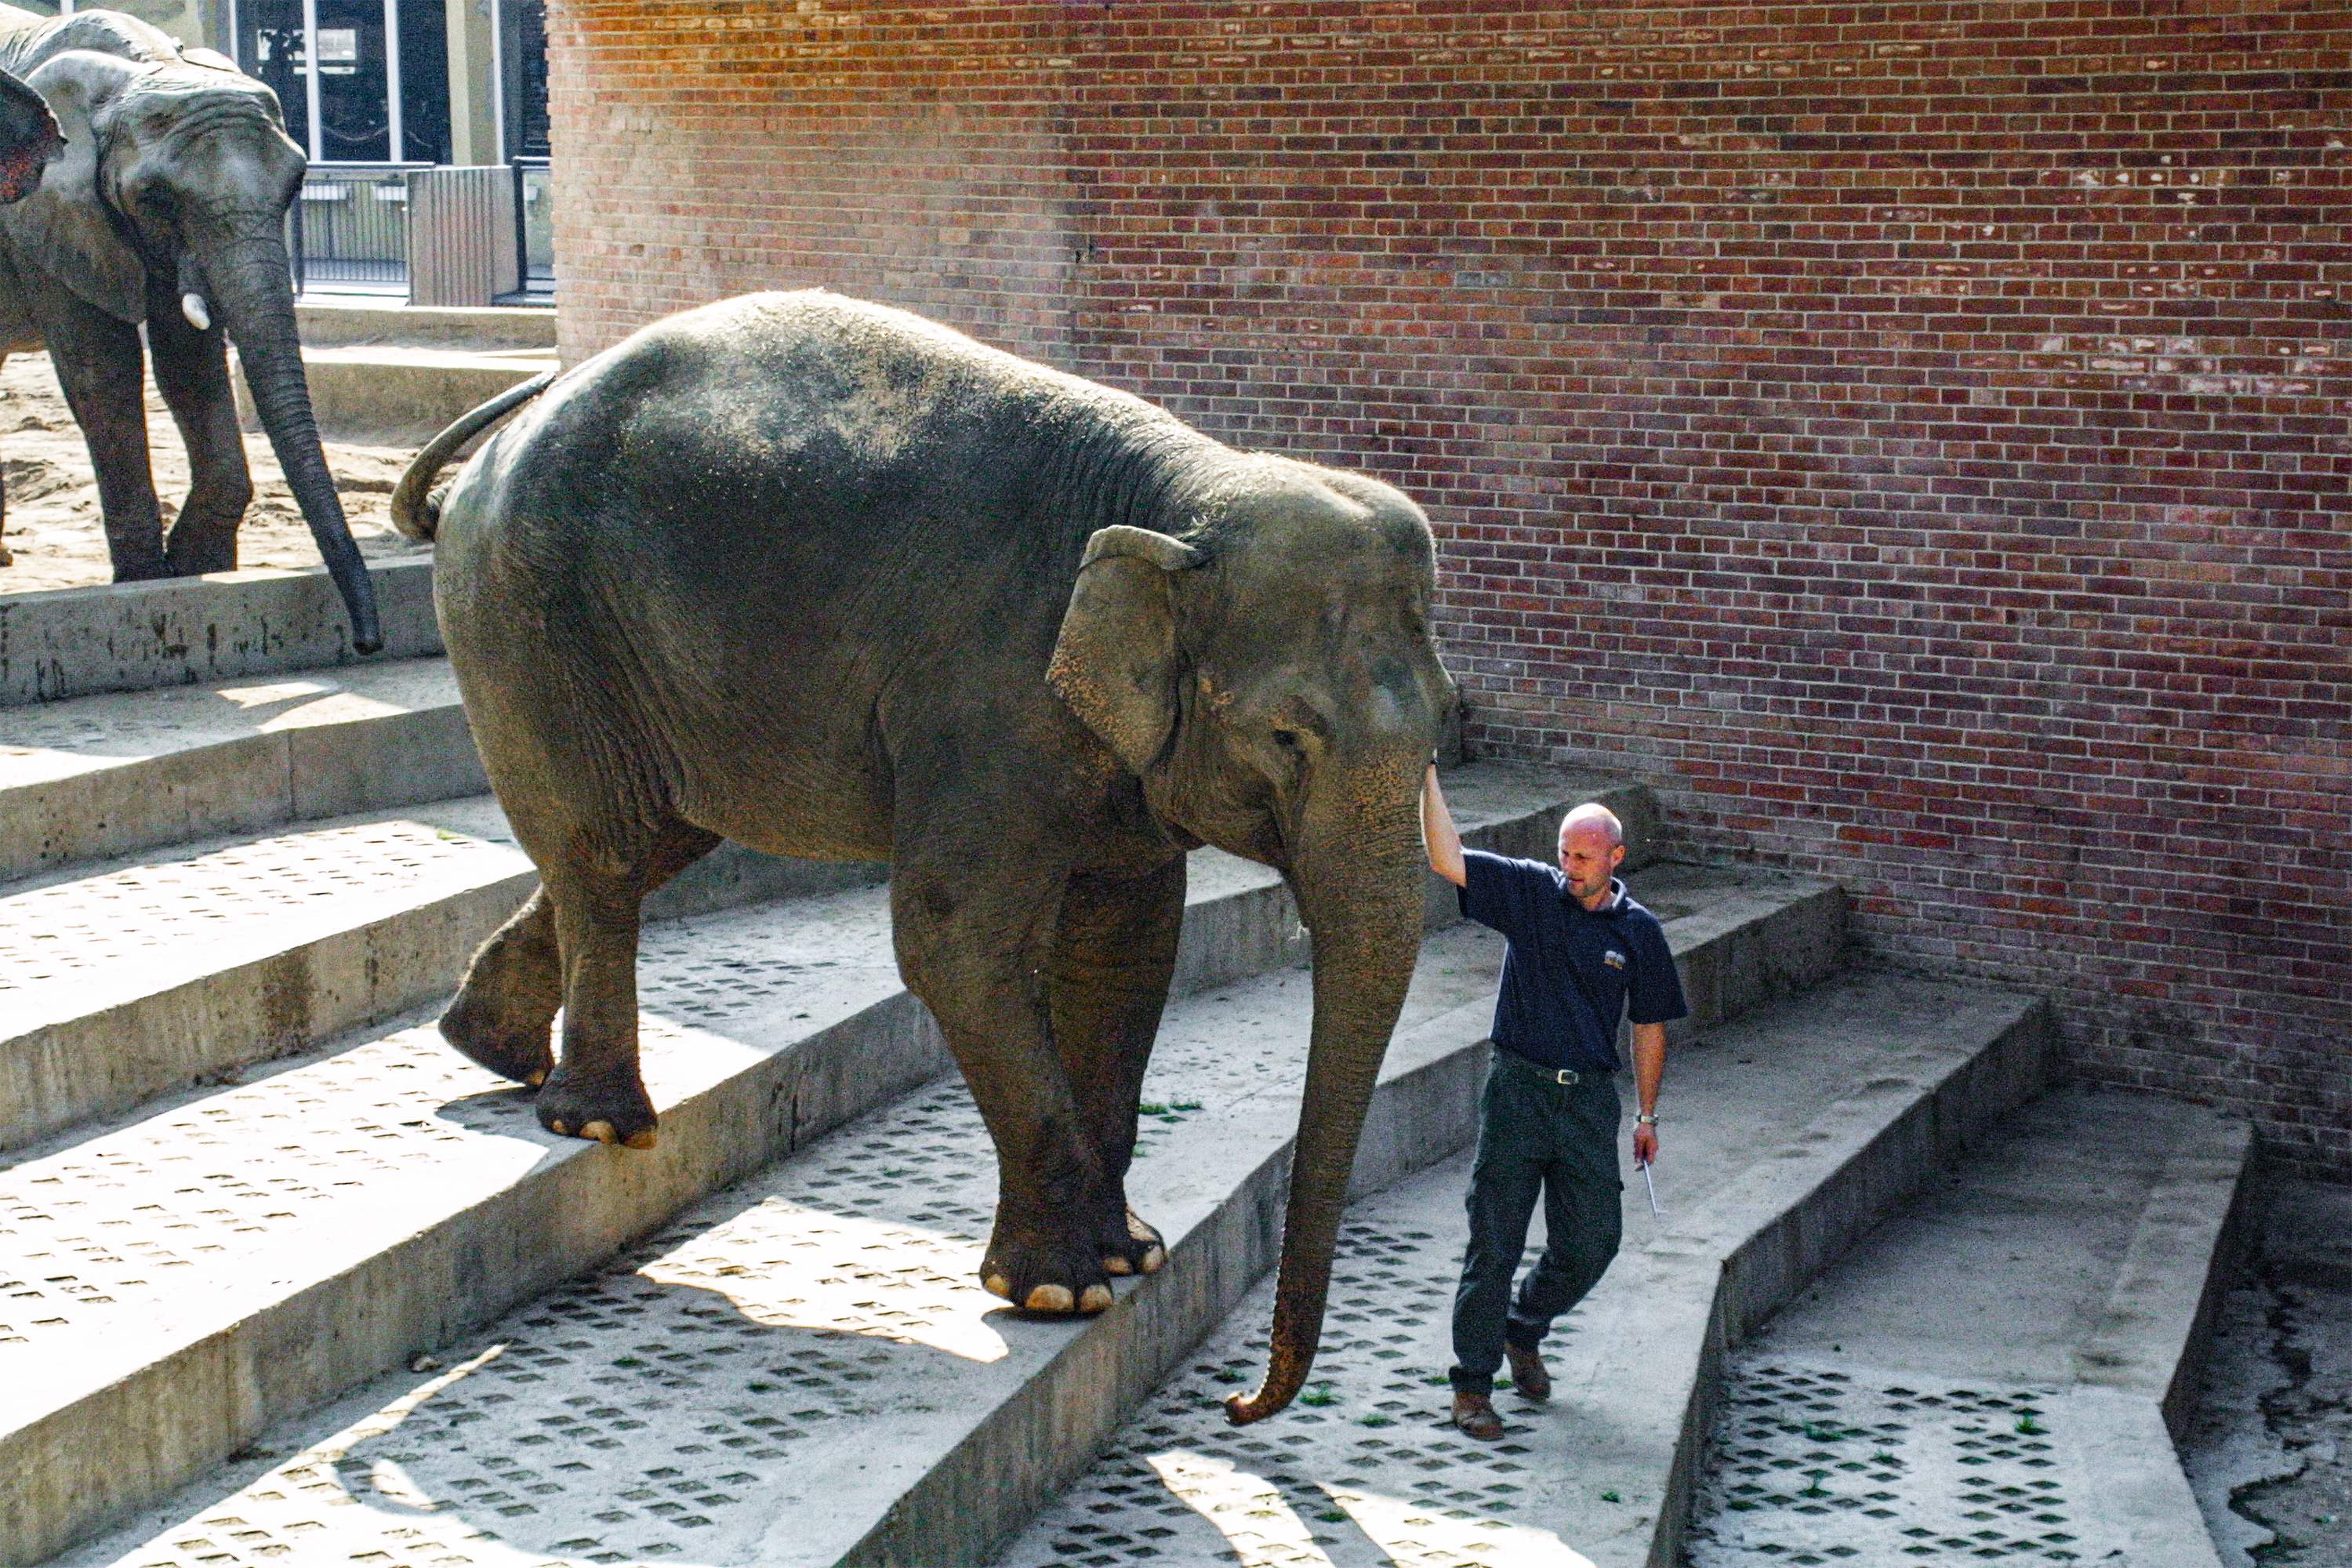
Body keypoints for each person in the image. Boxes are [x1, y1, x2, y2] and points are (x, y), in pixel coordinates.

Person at [1421, 763, 1686, 1440]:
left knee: (1596, 1239)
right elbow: (1446, 857)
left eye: (1584, 856)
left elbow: (1650, 1024)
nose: (1570, 866)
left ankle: (1525, 1325)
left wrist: (1647, 1114)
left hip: (1589, 1103)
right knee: (1495, 1242)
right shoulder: (1532, 894)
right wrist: (1427, 776)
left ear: (1615, 858)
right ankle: (1473, 1388)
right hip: (1517, 1091)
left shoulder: (1639, 932)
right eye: (1564, 853)